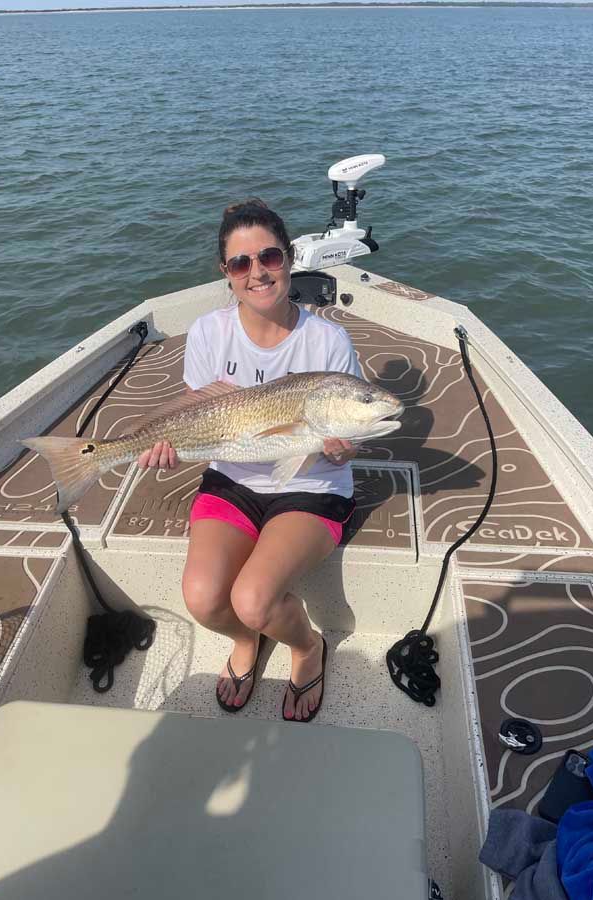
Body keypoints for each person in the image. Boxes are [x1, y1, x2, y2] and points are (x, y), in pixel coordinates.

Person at [138, 199, 361, 723]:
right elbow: (197, 413)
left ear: (290, 259)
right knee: (203, 598)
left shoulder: (328, 340)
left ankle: (306, 647)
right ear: (226, 273)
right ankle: (247, 641)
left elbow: (350, 436)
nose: (257, 272)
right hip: (231, 480)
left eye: (270, 257)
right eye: (241, 263)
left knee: (254, 599)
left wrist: (343, 446)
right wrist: (165, 445)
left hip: (310, 484)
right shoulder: (208, 333)